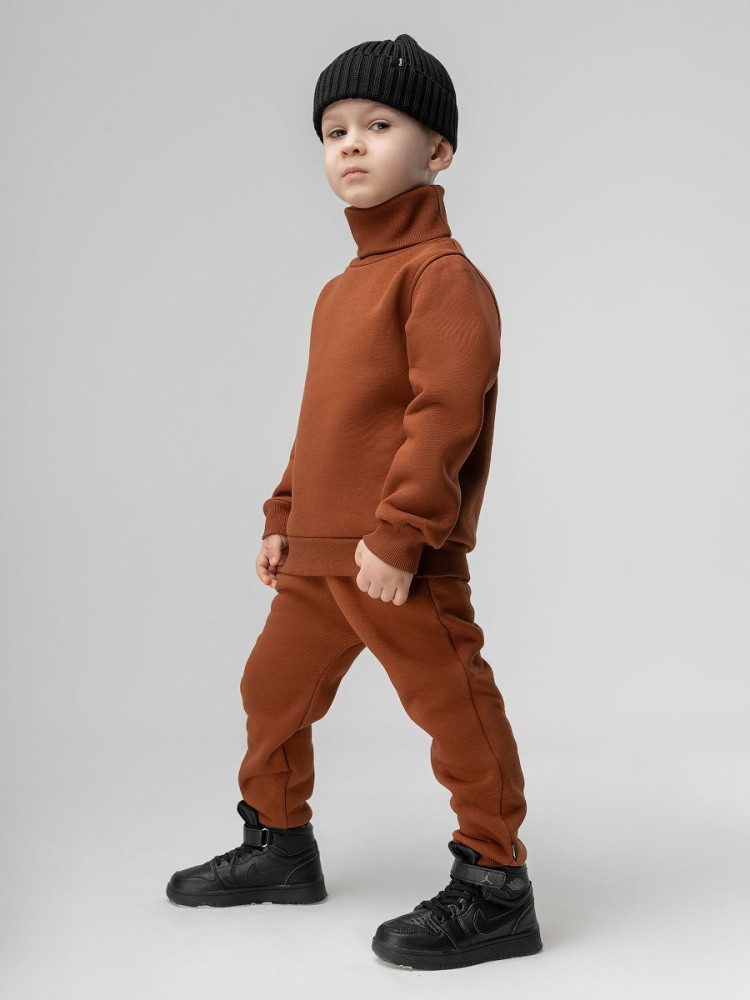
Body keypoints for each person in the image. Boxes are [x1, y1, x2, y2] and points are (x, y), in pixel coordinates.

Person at [166, 32, 543, 971]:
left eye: (379, 125)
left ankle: (496, 884)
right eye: (334, 130)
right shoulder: (342, 290)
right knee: (270, 693)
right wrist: (282, 514)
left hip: (393, 558)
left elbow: (444, 416)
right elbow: (323, 422)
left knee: (453, 711)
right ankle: (279, 846)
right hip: (319, 553)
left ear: (438, 150)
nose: (351, 144)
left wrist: (402, 532)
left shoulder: (442, 276)